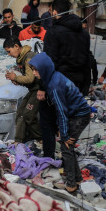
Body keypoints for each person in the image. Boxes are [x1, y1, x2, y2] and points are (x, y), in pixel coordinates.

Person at [29, 53, 91, 192]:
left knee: (66, 147)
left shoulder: (54, 85)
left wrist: (64, 134)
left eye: (35, 69)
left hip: (79, 115)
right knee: (68, 146)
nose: (34, 73)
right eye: (32, 69)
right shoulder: (52, 78)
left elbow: (61, 111)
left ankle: (71, 185)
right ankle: (77, 178)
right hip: (77, 113)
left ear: (44, 68)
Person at [43, 0, 90, 91]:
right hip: (79, 82)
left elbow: (49, 61)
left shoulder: (53, 32)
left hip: (60, 82)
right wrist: (86, 86)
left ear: (55, 12)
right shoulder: (84, 33)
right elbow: (87, 60)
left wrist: (42, 87)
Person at [3, 37, 42, 143]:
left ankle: (41, 139)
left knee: (28, 115)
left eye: (9, 51)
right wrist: (17, 80)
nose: (9, 54)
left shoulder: (29, 57)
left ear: (16, 46)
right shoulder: (22, 58)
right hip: (33, 90)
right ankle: (18, 141)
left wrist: (15, 78)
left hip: (39, 90)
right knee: (20, 113)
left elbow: (30, 78)